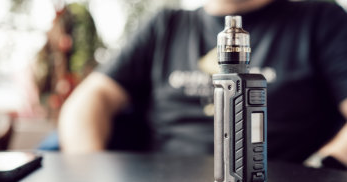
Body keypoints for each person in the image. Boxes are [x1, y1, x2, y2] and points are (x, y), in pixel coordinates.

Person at [58, 0, 347, 169]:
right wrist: (91, 175)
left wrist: (319, 170)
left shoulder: (321, 19)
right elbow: (91, 99)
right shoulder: (165, 24)